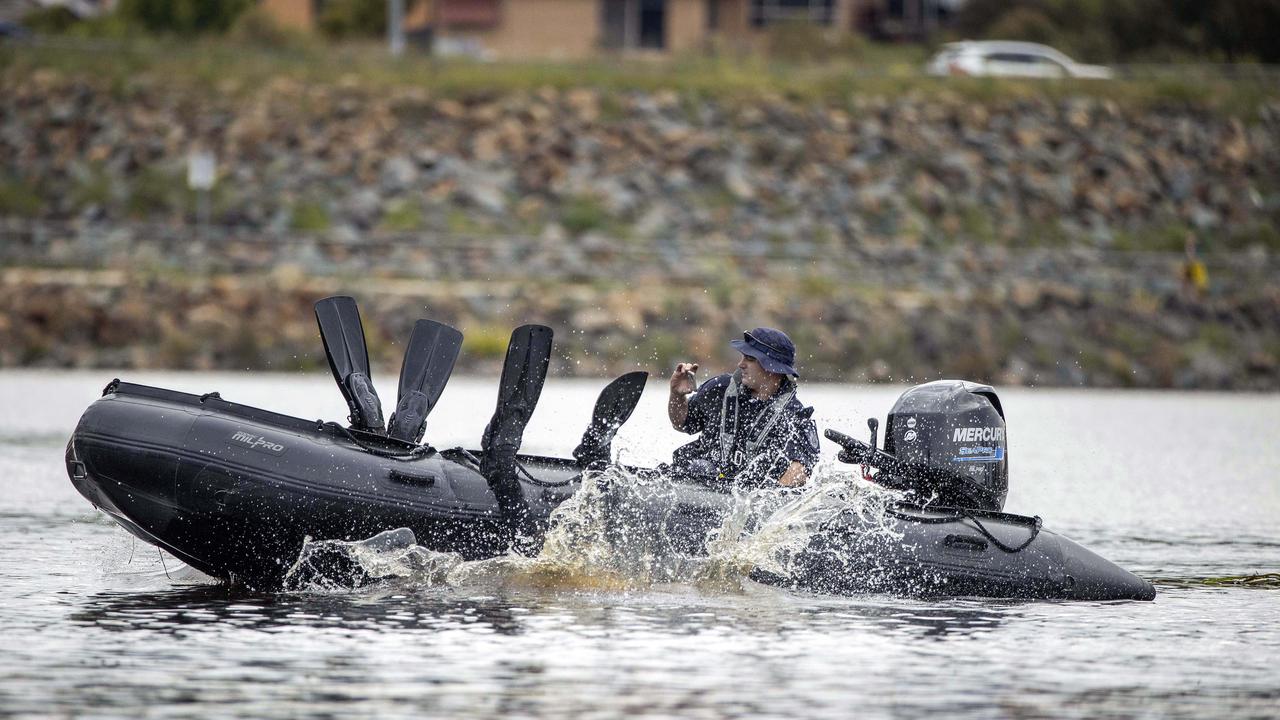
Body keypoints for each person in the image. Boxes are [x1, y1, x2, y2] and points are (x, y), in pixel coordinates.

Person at [666, 327, 820, 489]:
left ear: (773, 368)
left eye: (750, 359)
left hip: (746, 500)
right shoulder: (718, 388)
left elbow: (800, 469)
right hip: (693, 485)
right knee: (700, 467)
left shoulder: (795, 416)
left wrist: (766, 500)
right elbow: (681, 423)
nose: (741, 364)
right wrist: (677, 395)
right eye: (743, 357)